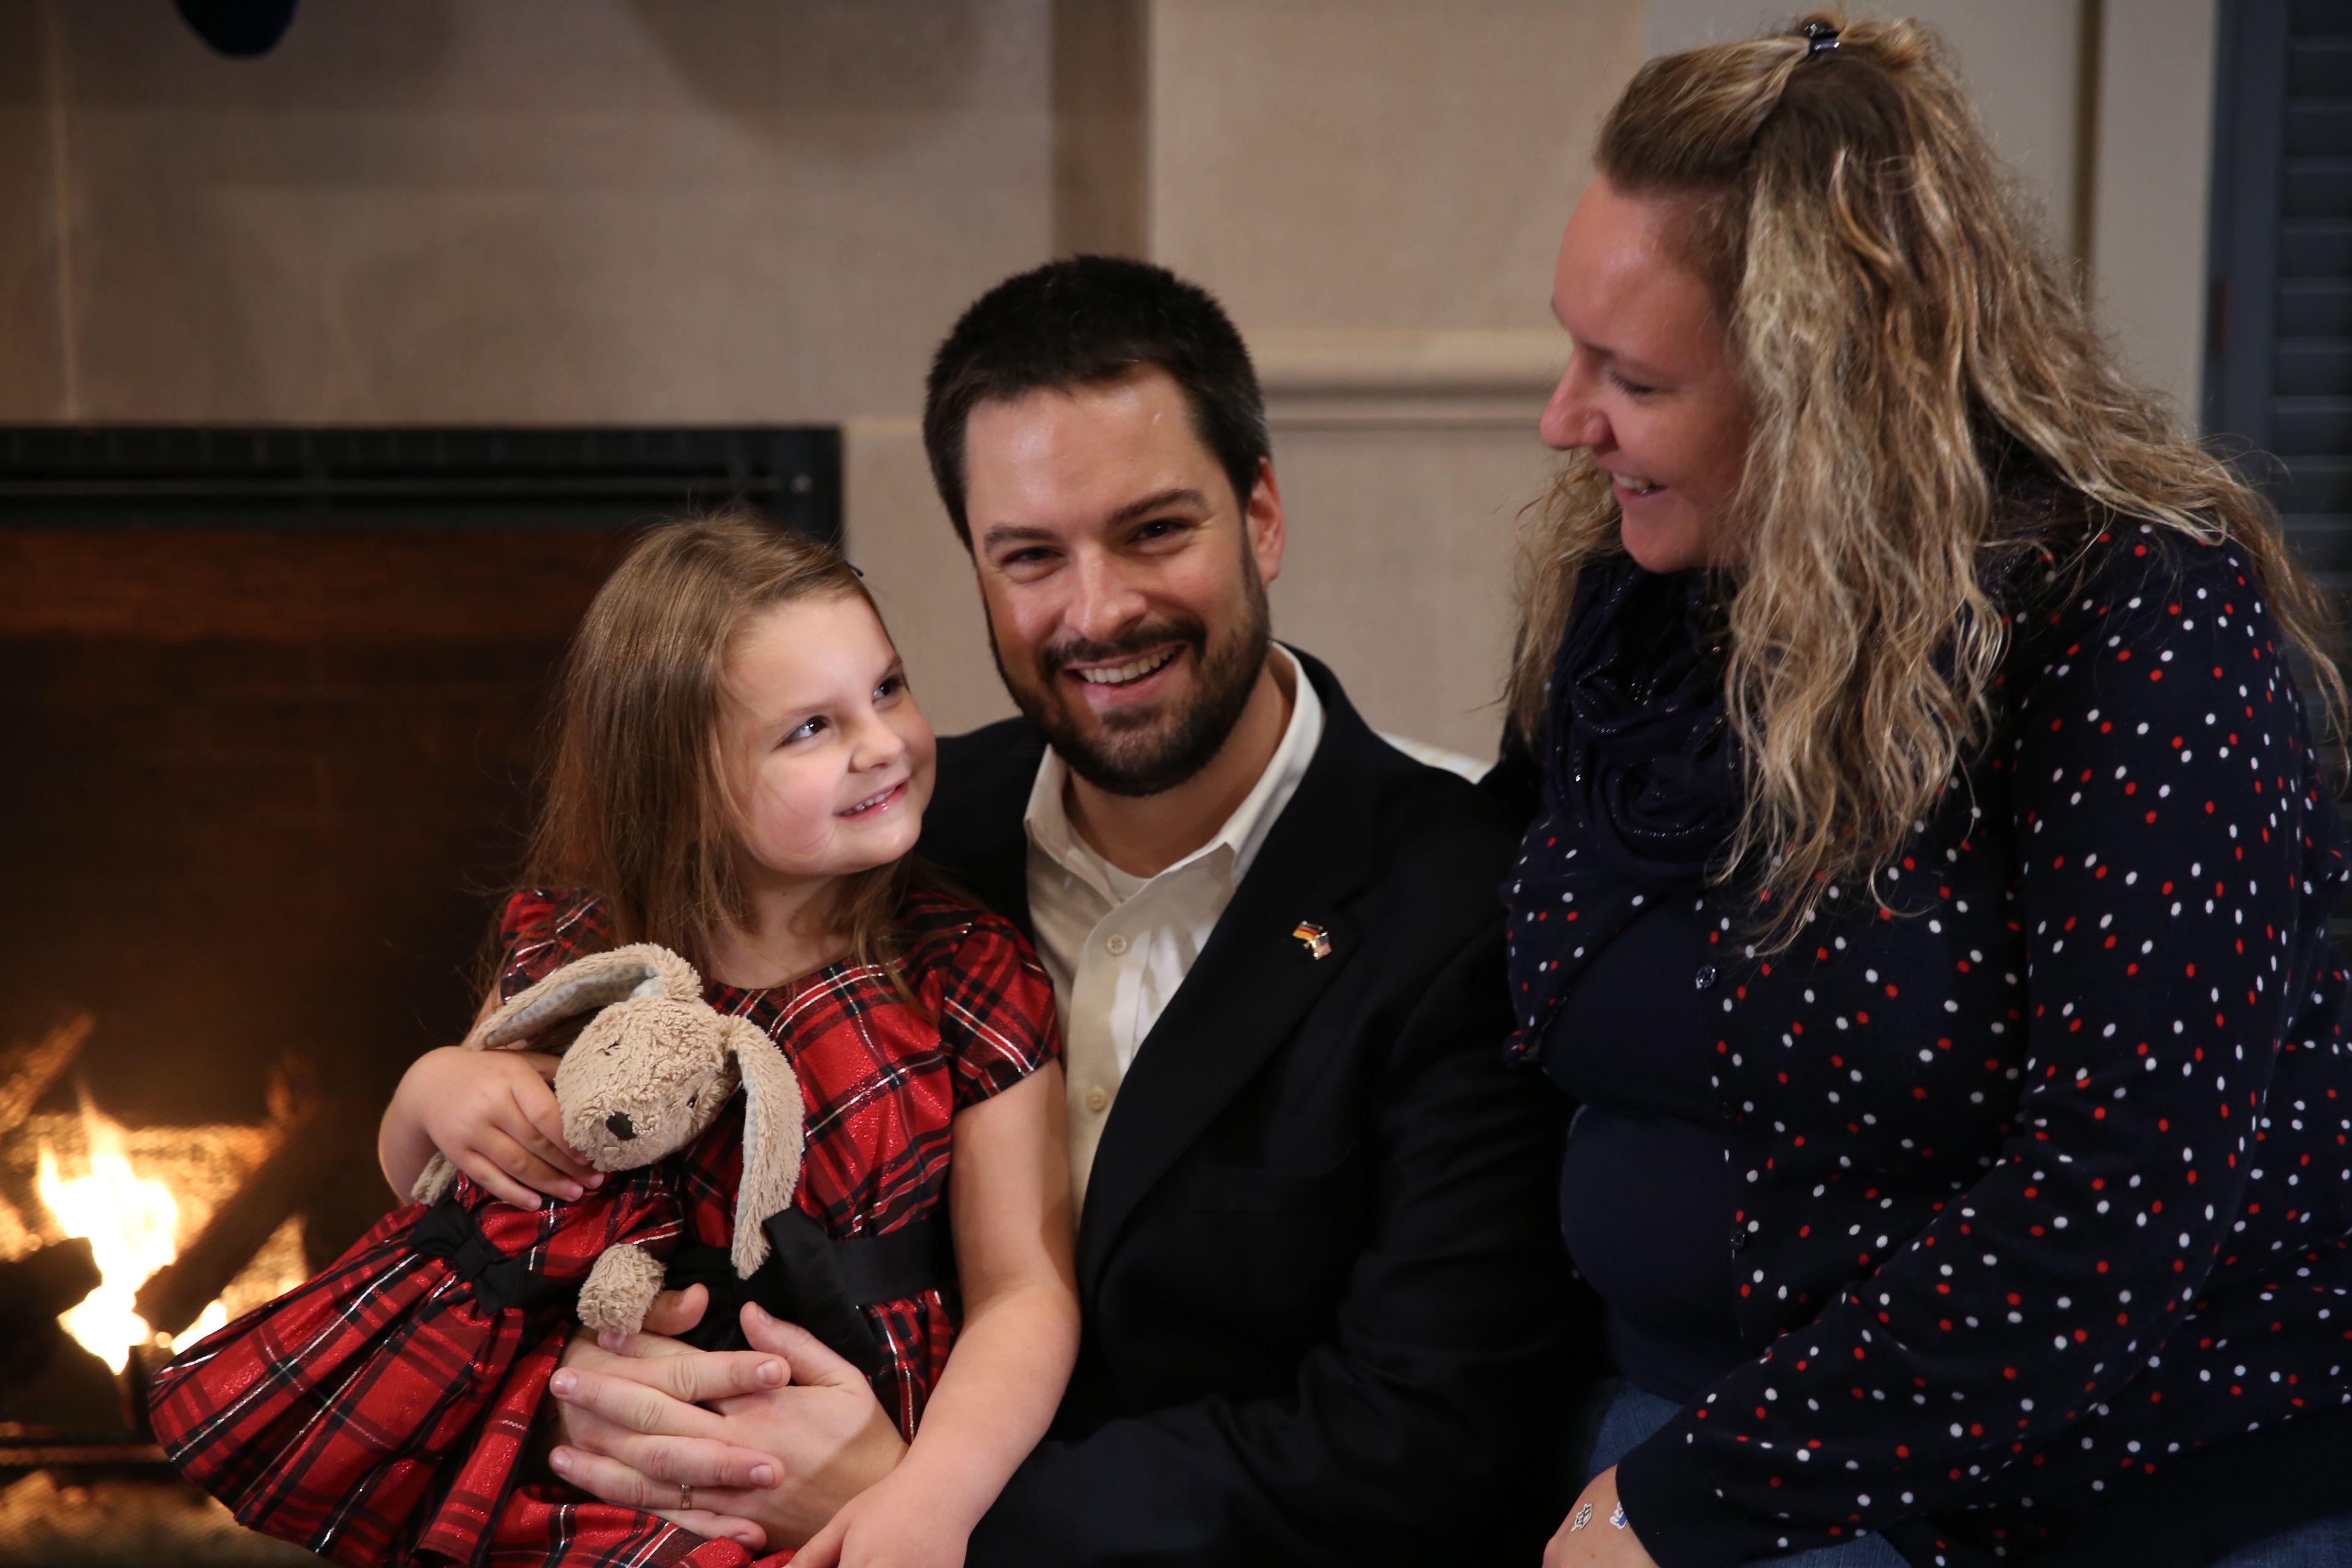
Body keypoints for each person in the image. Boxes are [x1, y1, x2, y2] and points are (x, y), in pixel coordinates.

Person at [533, 257, 1580, 1564]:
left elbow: (1416, 1443)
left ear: (1260, 515)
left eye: (1154, 530)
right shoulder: (887, 837)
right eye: (1031, 555)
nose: (1097, 611)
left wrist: (920, 1497)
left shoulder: (1468, 901)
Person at [1503, 16, 2352, 1568]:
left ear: (1827, 389)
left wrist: (1678, 1504)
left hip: (2098, 1491)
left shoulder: (2140, 623)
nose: (1567, 420)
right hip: (1680, 1421)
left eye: (1630, 376)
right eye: (1573, 350)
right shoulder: (1637, 595)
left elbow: (2120, 1201)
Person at [362, 514, 1078, 1568]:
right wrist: (428, 1094)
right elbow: (445, 1206)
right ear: (682, 787)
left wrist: (933, 1498)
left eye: (886, 689)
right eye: (810, 729)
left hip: (860, 1456)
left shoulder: (961, 968)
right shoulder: (581, 960)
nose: (883, 742)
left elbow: (1024, 1285)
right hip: (601, 1463)